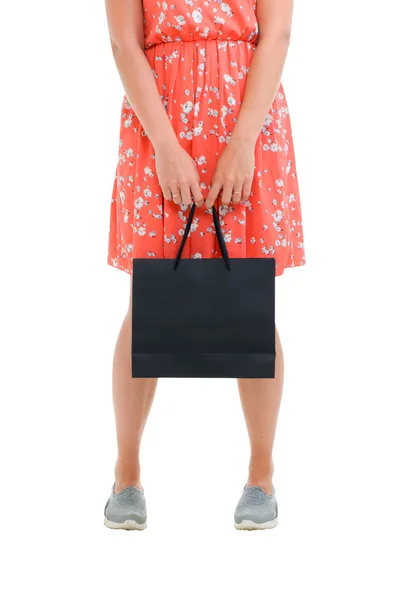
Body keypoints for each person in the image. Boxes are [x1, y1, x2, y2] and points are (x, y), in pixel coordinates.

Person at [103, 0, 305, 530]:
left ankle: (261, 477)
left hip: (248, 120)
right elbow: (125, 42)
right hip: (158, 120)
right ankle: (127, 475)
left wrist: (242, 141)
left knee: (251, 296)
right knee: (148, 296)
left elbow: (276, 35)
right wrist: (165, 146)